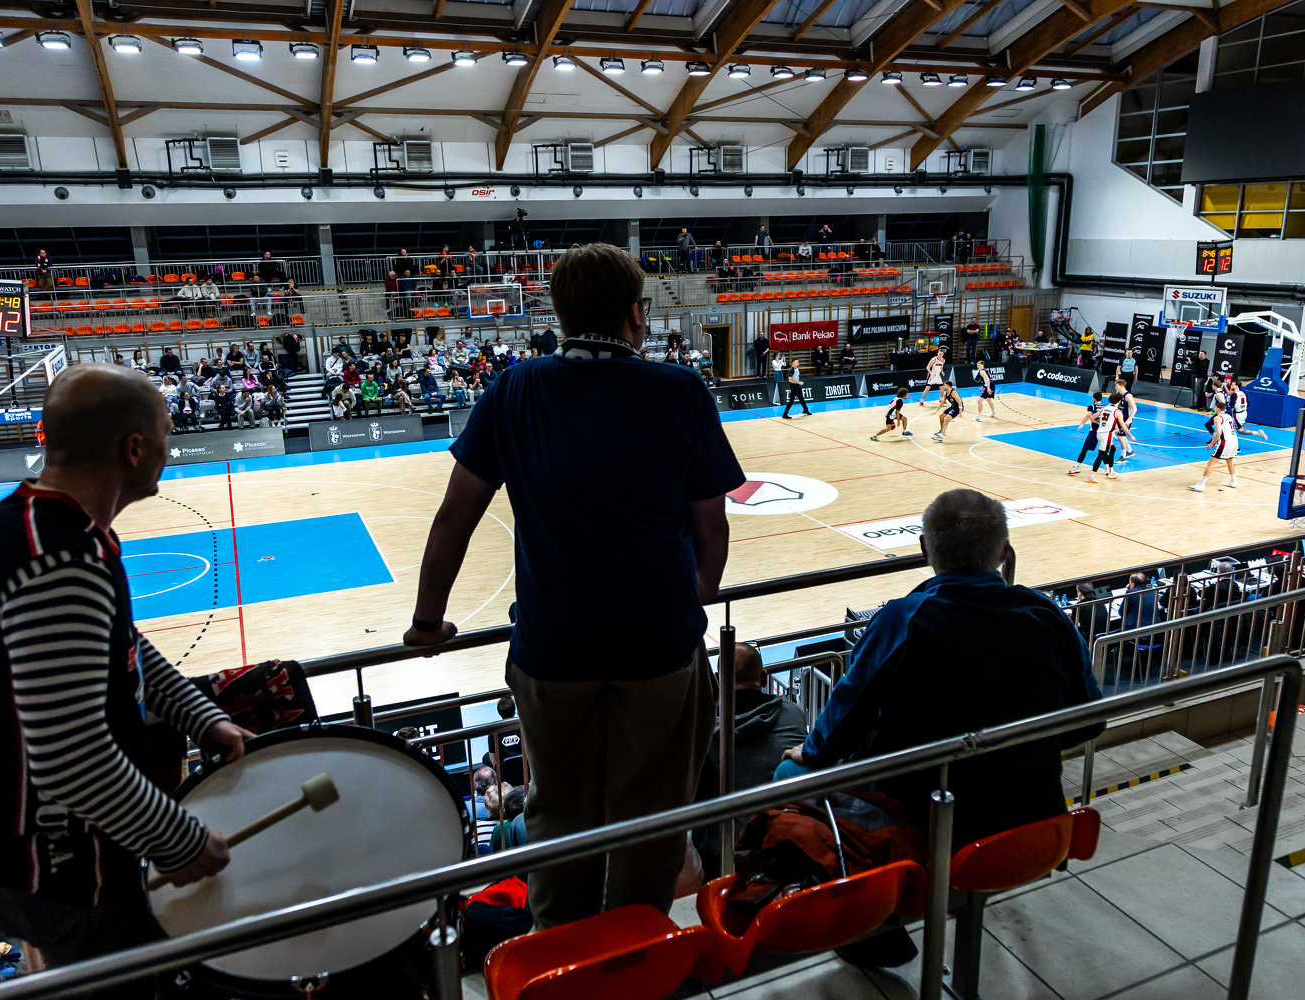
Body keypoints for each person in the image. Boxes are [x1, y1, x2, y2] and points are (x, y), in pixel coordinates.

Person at [402, 243, 743, 930]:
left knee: (557, 815)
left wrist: (428, 622)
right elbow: (712, 527)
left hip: (553, 649)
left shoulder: (515, 388)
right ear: (636, 314)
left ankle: (560, 950)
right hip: (658, 647)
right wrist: (693, 600)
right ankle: (634, 949)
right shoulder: (680, 390)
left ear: (559, 313)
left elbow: (454, 516)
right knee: (653, 820)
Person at [0, 365, 254, 982]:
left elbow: (118, 644)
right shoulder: (59, 558)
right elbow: (72, 756)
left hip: (29, 853)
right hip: (59, 868)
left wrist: (200, 716)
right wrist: (181, 839)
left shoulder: (27, 523)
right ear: (133, 449)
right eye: (165, 433)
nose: (168, 447)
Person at [778, 488, 1102, 843]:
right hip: (1039, 825)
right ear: (1004, 551)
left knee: (788, 772)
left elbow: (843, 723)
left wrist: (810, 751)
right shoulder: (1047, 614)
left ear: (924, 548)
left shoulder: (902, 620)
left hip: (925, 827)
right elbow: (1090, 722)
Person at [693, 643, 808, 876]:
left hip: (726, 858)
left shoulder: (701, 728)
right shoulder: (792, 713)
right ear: (764, 678)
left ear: (717, 680)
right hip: (789, 845)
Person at [1190, 396, 1240, 491]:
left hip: (1225, 442)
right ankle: (1233, 482)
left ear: (1217, 408)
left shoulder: (1217, 418)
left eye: (1215, 407)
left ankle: (1202, 485)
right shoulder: (1228, 416)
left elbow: (1219, 433)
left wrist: (1212, 443)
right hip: (1234, 441)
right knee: (1229, 461)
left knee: (1211, 463)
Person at [1088, 392, 1132, 484]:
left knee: (1112, 449)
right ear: (1119, 401)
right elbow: (1123, 427)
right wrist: (1131, 436)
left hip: (1100, 433)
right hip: (1106, 435)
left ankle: (1110, 470)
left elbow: (1092, 418)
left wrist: (1102, 424)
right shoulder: (1117, 412)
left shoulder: (1104, 408)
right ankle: (1092, 476)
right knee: (1101, 455)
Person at [1067, 391, 1106, 476]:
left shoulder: (1092, 406)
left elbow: (1088, 416)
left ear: (1094, 398)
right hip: (1103, 431)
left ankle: (1077, 467)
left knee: (1084, 449)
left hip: (1094, 431)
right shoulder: (1105, 407)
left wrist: (1082, 424)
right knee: (1103, 451)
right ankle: (1108, 470)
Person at [1114, 377, 1138, 464]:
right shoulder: (1119, 394)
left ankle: (1123, 456)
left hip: (1126, 419)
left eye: (1116, 386)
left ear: (1121, 386)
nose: (1115, 387)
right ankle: (1130, 451)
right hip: (1120, 418)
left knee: (1121, 436)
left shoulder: (1128, 396)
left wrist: (1129, 419)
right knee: (1121, 435)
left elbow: (1134, 408)